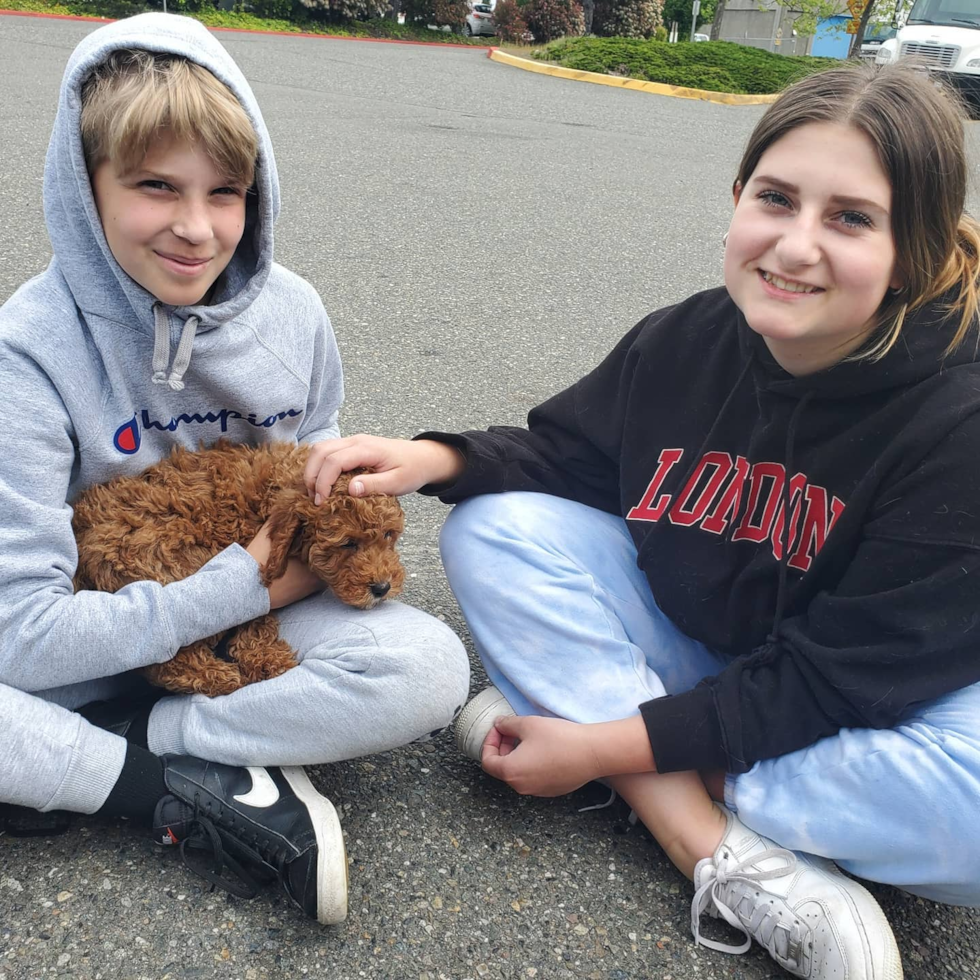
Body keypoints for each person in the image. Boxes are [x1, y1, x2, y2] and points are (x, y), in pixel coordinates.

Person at [303, 62, 980, 977]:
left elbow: (832, 686)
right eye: (777, 199)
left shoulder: (958, 420)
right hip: (722, 653)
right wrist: (438, 460)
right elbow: (576, 457)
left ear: (916, 250)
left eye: (852, 219)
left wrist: (595, 746)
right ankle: (698, 829)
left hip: (869, 699)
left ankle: (614, 748)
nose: (795, 246)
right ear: (737, 198)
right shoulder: (690, 335)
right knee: (489, 527)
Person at [0, 13, 469, 925]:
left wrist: (299, 555)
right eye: (155, 185)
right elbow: (23, 634)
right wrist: (228, 592)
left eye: (226, 192)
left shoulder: (294, 316)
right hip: (82, 634)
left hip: (262, 602)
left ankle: (136, 746)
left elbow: (314, 482)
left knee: (425, 668)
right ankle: (164, 786)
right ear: (85, 183)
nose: (195, 228)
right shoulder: (28, 351)